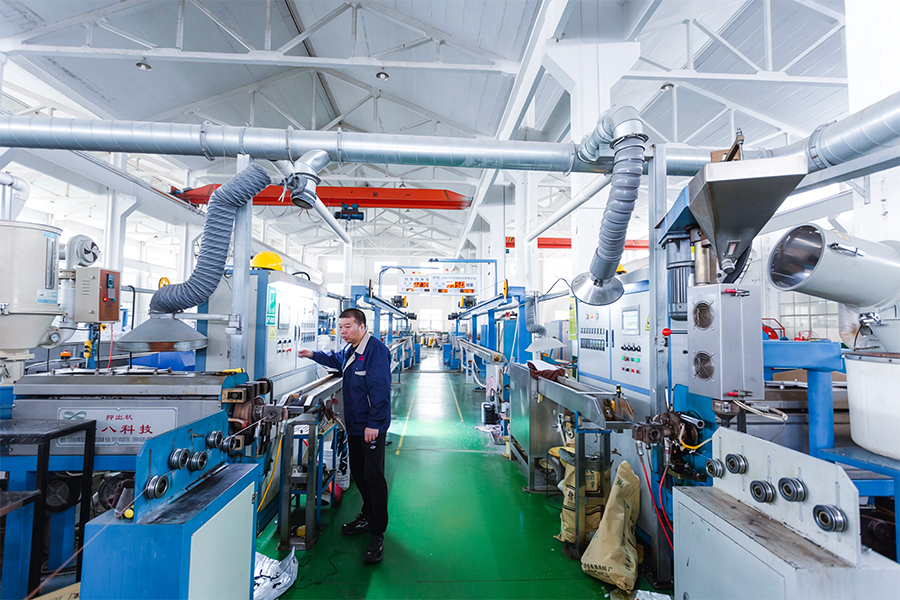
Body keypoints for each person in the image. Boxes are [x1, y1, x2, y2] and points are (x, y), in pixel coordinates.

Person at [298, 308, 391, 564]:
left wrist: (374, 424)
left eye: (347, 326)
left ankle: (377, 532)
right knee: (359, 474)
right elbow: (335, 359)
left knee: (374, 478)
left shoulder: (375, 351)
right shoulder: (351, 350)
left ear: (362, 326)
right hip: (355, 425)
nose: (343, 331)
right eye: (340, 327)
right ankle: (367, 516)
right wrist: (312, 354)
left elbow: (380, 390)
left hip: (370, 427)